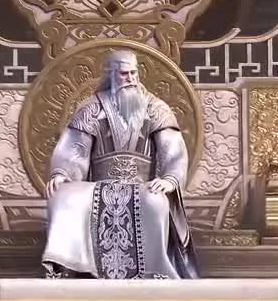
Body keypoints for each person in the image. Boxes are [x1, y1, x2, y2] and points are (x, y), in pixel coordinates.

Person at [41, 49, 200, 279]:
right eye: (124, 74)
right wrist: (62, 173)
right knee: (63, 196)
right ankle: (69, 267)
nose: (130, 79)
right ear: (111, 75)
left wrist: (169, 179)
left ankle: (155, 271)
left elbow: (172, 148)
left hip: (142, 187)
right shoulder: (91, 108)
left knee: (155, 202)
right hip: (98, 187)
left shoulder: (156, 108)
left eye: (134, 73)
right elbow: (75, 149)